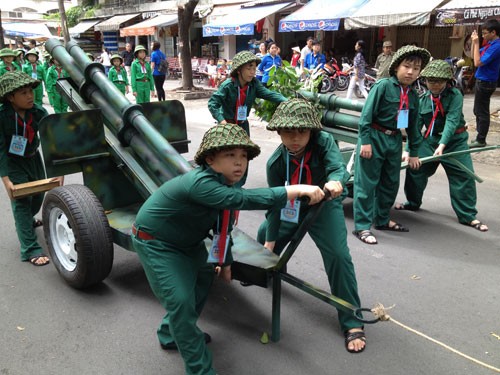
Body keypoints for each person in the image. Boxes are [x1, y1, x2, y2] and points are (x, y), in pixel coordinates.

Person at [132, 122, 324, 375]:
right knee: (180, 301)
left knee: (201, 282)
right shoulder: (202, 183)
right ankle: (200, 369)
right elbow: (244, 200)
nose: (239, 163)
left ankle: (171, 334)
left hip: (188, 242)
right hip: (157, 244)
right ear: (210, 159)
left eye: (243, 156)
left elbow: (223, 228)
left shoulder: (225, 184)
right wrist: (296, 189)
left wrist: (226, 261)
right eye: (230, 155)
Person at [257, 99, 367, 354]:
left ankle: (351, 320)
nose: (295, 138)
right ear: (278, 132)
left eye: (302, 132)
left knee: (339, 256)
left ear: (311, 131)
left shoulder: (323, 142)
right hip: (291, 207)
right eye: (288, 132)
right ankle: (267, 270)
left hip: (324, 205)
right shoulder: (275, 164)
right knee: (265, 234)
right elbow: (275, 206)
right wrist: (269, 245)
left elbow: (338, 169)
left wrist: (336, 182)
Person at [395, 60, 488, 232]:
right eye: (431, 81)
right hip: (430, 140)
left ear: (448, 81)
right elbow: (415, 128)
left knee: (463, 175)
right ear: (425, 81)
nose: (435, 85)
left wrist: (443, 144)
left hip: (455, 141)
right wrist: (409, 149)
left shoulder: (455, 96)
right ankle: (412, 202)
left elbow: (452, 121)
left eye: (439, 81)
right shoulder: (423, 99)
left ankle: (468, 215)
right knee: (415, 167)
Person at [352, 45, 431, 245]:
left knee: (389, 183)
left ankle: (382, 220)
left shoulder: (413, 95)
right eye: (407, 66)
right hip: (375, 137)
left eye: (416, 68)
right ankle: (362, 226)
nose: (411, 71)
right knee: (366, 184)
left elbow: (413, 127)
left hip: (394, 140)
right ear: (396, 67)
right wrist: (366, 142)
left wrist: (413, 152)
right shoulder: (383, 86)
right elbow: (365, 117)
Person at [0, 71, 63, 266]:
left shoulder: (39, 112)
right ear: (11, 97)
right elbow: (0, 149)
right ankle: (30, 248)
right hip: (13, 162)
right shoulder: (2, 116)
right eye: (24, 93)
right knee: (21, 201)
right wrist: (6, 180)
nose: (30, 96)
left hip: (34, 158)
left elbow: (52, 142)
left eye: (31, 91)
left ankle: (28, 219)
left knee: (38, 197)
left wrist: (58, 170)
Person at [208, 50, 287, 136]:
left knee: (245, 149)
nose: (252, 72)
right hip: (227, 126)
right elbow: (212, 103)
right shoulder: (227, 86)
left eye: (254, 69)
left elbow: (269, 94)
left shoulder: (254, 84)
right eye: (249, 69)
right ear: (239, 70)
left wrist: (287, 101)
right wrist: (223, 122)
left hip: (243, 125)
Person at [469, 19, 500, 148]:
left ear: (493, 32)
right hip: (482, 80)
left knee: (482, 111)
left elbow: (477, 63)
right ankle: (479, 136)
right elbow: (473, 56)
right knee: (478, 110)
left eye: (485, 33)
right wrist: (473, 43)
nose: (483, 35)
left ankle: (481, 139)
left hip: (486, 82)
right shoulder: (489, 44)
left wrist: (476, 43)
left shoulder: (496, 46)